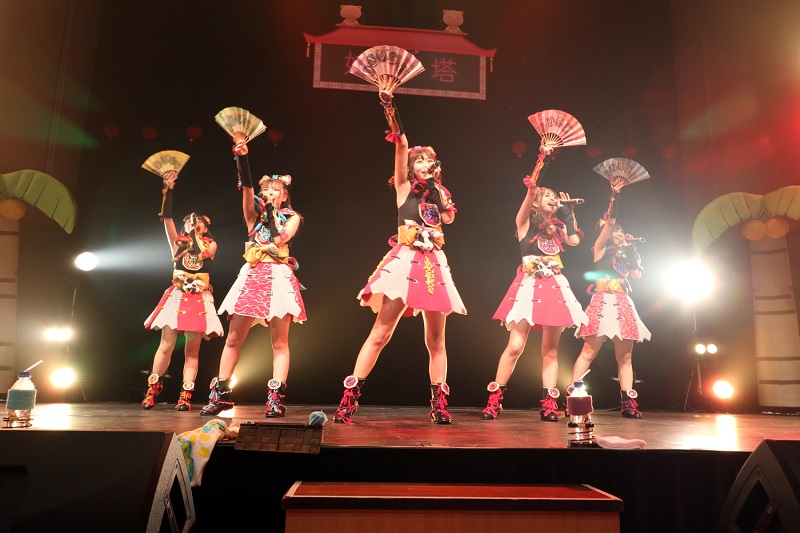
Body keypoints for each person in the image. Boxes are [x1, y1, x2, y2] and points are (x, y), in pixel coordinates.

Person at [334, 94, 466, 425]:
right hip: (406, 260)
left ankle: (439, 404)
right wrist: (389, 107)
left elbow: (448, 219)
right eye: (418, 161)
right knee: (381, 332)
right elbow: (401, 143)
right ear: (409, 167)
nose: (423, 163)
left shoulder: (438, 193)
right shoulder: (404, 188)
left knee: (436, 340)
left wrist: (437, 188)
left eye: (428, 160)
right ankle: (349, 399)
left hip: (434, 263)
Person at [200, 141, 306, 417]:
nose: (269, 193)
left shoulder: (292, 217)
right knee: (233, 339)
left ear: (284, 196)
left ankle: (275, 398)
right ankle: (221, 395)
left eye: (276, 190)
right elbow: (246, 188)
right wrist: (242, 159)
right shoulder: (252, 217)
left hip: (279, 277)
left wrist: (271, 213)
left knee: (279, 343)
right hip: (253, 276)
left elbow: (279, 239)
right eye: (266, 189)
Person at [481, 148, 588, 422]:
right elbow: (531, 191)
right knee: (515, 346)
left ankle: (549, 404)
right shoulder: (525, 223)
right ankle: (494, 400)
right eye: (547, 196)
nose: (552, 198)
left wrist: (568, 212)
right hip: (529, 285)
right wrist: (543, 158)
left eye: (554, 197)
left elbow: (575, 240)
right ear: (537, 203)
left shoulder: (557, 228)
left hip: (554, 286)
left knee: (550, 349)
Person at [143, 171, 224, 411]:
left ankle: (185, 395)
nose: (192, 223)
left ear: (205, 227)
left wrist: (193, 234)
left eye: (197, 221)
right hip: (178, 296)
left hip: (198, 298)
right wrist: (168, 189)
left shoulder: (210, 244)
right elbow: (167, 218)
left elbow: (202, 254)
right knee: (166, 345)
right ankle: (152, 389)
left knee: (192, 350)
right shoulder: (177, 243)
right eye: (189, 221)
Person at [570, 177, 651, 418]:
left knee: (625, 357)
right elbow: (610, 221)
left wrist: (631, 248)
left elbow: (636, 275)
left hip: (623, 302)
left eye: (620, 231)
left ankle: (628, 403)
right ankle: (574, 399)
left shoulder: (624, 255)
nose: (618, 232)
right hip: (603, 300)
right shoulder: (599, 249)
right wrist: (616, 196)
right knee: (588, 352)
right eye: (614, 230)